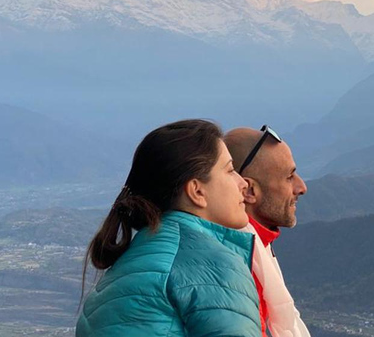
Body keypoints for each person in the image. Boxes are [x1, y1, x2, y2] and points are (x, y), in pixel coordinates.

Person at [77, 119, 261, 337]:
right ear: (197, 191)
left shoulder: (130, 261)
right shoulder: (211, 265)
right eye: (230, 170)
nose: (243, 183)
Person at [224, 125, 310, 337]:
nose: (301, 187)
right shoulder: (238, 268)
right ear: (250, 190)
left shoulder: (252, 248)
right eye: (289, 177)